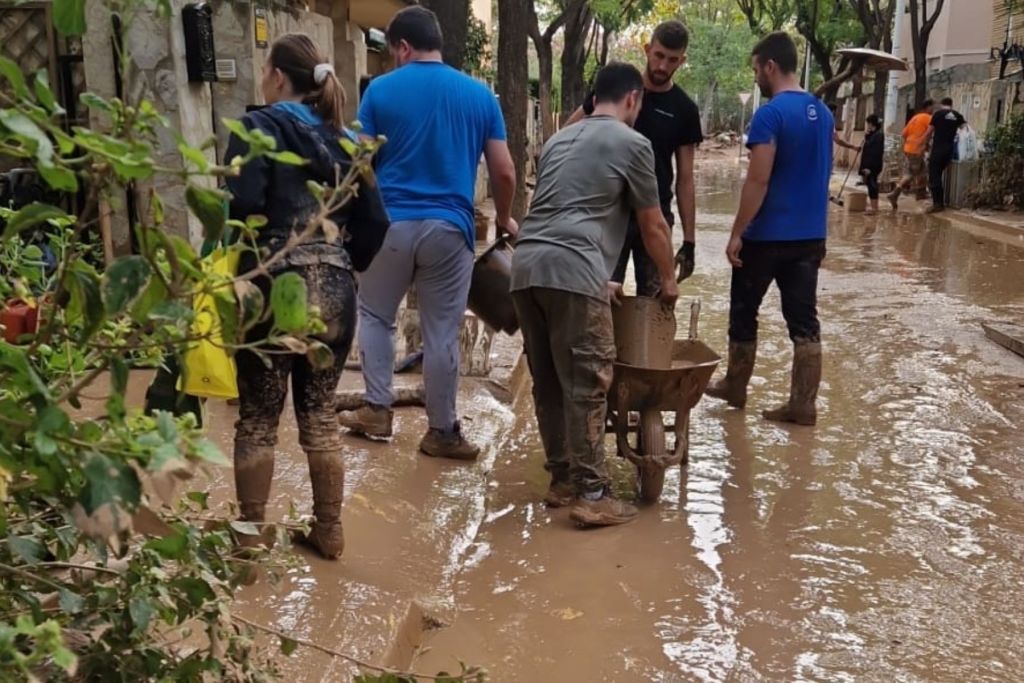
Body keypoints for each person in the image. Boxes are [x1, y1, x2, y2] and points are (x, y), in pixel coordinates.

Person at [227, 34, 390, 559]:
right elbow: (376, 221)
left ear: (278, 76)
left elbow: (241, 205)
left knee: (258, 417)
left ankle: (250, 539)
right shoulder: (349, 142)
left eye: (264, 69)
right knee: (319, 414)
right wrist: (345, 261)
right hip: (335, 287)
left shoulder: (256, 130)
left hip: (273, 284)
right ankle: (329, 530)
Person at [337, 6, 517, 460]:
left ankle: (377, 410)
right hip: (450, 230)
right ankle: (442, 432)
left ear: (402, 46)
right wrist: (504, 218)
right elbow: (504, 171)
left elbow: (358, 163)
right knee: (442, 332)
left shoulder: (379, 91)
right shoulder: (480, 96)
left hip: (390, 226)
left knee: (376, 315)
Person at [511, 62, 679, 527]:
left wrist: (598, 280)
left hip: (526, 268)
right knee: (588, 380)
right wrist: (668, 281)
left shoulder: (558, 140)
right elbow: (653, 224)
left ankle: (563, 480)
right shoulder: (633, 143)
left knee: (548, 381)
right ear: (632, 99)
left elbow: (559, 212)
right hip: (573, 269)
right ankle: (593, 493)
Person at [704, 31, 832, 427]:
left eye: (756, 69)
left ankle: (735, 386)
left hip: (766, 236)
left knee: (744, 312)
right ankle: (803, 404)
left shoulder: (770, 114)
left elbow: (758, 180)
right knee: (804, 322)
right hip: (811, 236)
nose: (756, 76)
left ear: (770, 66)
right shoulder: (824, 114)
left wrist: (736, 233)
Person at [566, 20, 702, 295]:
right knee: (598, 293)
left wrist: (689, 241)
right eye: (659, 55)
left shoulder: (684, 109)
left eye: (672, 60)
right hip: (609, 209)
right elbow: (569, 133)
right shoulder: (618, 90)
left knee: (657, 298)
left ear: (682, 60)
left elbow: (685, 180)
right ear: (647, 49)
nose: (662, 66)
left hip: (655, 212)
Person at [922, 97, 967, 213]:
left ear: (942, 104)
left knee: (934, 176)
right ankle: (942, 201)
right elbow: (965, 131)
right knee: (942, 175)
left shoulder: (938, 114)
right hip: (950, 151)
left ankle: (938, 204)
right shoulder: (957, 115)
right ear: (951, 104)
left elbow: (929, 132)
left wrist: (924, 144)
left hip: (938, 150)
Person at [888, 99, 935, 209]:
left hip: (909, 148)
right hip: (917, 149)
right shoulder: (928, 118)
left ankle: (920, 194)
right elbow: (929, 133)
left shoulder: (915, 118)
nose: (933, 109)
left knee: (922, 171)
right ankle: (895, 193)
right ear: (928, 107)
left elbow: (904, 134)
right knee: (910, 174)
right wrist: (922, 145)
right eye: (932, 107)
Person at [860, 114, 884, 215]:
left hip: (873, 165)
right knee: (870, 184)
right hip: (868, 164)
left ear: (871, 123)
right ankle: (873, 207)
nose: (867, 126)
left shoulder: (878, 135)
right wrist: (867, 136)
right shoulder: (873, 134)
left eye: (868, 123)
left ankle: (874, 209)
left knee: (872, 184)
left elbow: (875, 152)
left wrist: (870, 168)